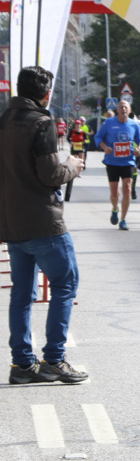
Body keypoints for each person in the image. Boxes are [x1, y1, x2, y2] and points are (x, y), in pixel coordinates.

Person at [0, 66, 88, 384]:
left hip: (12, 223)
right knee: (65, 284)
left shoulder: (4, 120)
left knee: (21, 294)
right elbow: (51, 174)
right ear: (45, 92)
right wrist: (72, 166)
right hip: (43, 221)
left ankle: (22, 365)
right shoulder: (42, 122)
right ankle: (54, 359)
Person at [93, 99, 140, 231]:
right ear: (118, 110)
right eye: (121, 107)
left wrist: (139, 149)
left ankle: (123, 219)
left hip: (128, 161)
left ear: (130, 110)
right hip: (112, 162)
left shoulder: (134, 125)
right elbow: (98, 138)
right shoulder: (109, 123)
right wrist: (105, 147)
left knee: (127, 188)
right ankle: (115, 208)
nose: (124, 109)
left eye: (126, 107)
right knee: (115, 193)